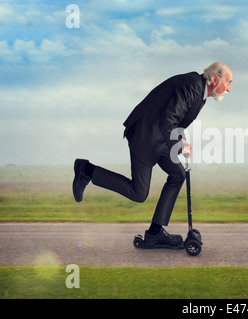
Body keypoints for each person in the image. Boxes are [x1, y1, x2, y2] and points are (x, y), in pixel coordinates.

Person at [72, 62, 233, 248]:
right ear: (215, 79)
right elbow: (168, 119)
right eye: (228, 82)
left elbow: (174, 119)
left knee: (178, 175)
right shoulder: (193, 86)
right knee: (138, 193)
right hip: (145, 134)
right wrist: (180, 147)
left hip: (160, 136)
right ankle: (86, 170)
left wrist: (181, 141)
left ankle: (155, 233)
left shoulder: (198, 90)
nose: (229, 88)